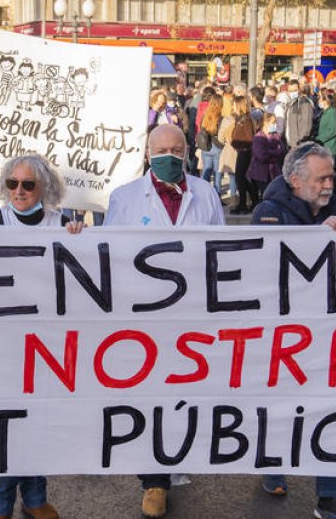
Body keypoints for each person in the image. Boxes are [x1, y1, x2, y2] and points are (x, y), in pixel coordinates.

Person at [103, 124, 223, 518]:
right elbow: (108, 255)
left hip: (193, 315)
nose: (169, 156)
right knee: (149, 395)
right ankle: (154, 482)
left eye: (176, 149)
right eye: (161, 150)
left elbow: (222, 251)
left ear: (188, 151)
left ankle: (180, 458)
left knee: (186, 391)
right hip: (144, 317)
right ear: (147, 153)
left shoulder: (205, 194)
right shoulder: (124, 198)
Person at [251, 143, 336, 519]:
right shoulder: (267, 214)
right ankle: (272, 464)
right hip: (281, 336)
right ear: (295, 182)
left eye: (332, 177)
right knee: (281, 408)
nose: (329, 185)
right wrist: (315, 237)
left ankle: (332, 498)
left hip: (328, 334)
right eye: (322, 178)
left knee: (332, 411)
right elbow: (265, 268)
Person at [0, 154, 76, 519]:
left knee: (37, 425)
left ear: (44, 187)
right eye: (12, 183)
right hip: (4, 348)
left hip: (46, 347)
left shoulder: (63, 224)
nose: (19, 191)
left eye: (27, 184)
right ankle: (0, 506)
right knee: (6, 429)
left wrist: (81, 240)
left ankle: (35, 499)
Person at [229, 95, 258, 214]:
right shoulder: (240, 118)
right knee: (241, 178)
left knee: (240, 178)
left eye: (235, 104)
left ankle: (245, 203)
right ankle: (249, 202)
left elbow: (249, 138)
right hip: (242, 150)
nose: (233, 107)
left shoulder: (245, 120)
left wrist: (238, 144)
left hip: (245, 151)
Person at [247, 112, 286, 199]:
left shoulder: (275, 135)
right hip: (261, 173)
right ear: (265, 123)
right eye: (272, 122)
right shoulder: (258, 137)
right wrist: (275, 153)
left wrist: (270, 152)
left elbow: (282, 150)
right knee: (267, 196)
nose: (274, 125)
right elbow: (261, 155)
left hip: (274, 172)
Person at [196, 94, 224, 195]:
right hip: (218, 147)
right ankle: (217, 195)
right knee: (218, 173)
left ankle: (203, 194)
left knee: (206, 171)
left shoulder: (205, 115)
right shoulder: (221, 117)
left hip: (206, 146)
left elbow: (202, 129)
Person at [317, 92, 336, 184]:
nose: (318, 101)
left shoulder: (332, 112)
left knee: (329, 171)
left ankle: (332, 192)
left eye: (320, 99)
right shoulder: (325, 112)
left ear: (325, 101)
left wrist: (319, 138)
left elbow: (333, 130)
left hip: (330, 146)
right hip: (325, 146)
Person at [284, 80, 315, 146]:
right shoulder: (290, 104)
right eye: (290, 91)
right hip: (289, 143)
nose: (293, 93)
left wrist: (301, 142)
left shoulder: (304, 103)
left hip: (299, 144)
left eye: (295, 90)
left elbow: (307, 125)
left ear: (299, 89)